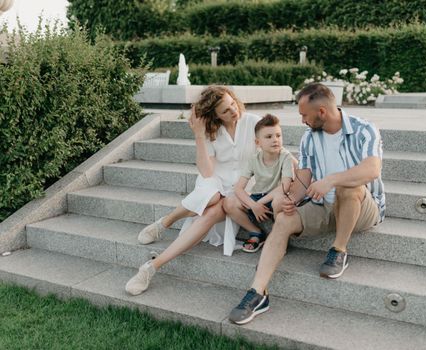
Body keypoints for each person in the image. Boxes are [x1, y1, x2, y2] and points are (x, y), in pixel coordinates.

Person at [228, 82, 385, 325]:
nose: (302, 120)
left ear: (321, 112)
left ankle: (339, 250)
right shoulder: (309, 139)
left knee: (347, 186)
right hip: (323, 206)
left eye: (304, 114)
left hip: (363, 206)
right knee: (283, 218)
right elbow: (304, 178)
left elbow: (371, 170)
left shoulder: (364, 129)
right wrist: (291, 199)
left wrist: (331, 180)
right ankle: (258, 293)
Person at [125, 85, 260, 296]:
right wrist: (198, 135)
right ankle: (160, 237)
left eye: (232, 104)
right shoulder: (211, 132)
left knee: (214, 210)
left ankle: (153, 263)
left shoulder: (253, 122)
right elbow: (207, 172)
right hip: (214, 182)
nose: (233, 111)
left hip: (241, 187)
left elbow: (274, 149)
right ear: (214, 115)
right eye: (225, 110)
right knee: (214, 197)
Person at [225, 114, 295, 253]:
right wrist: (253, 205)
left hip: (276, 197)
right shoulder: (253, 159)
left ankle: (279, 236)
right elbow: (238, 188)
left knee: (280, 200)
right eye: (269, 137)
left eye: (278, 135)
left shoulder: (285, 156)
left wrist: (259, 204)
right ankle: (256, 232)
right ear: (258, 143)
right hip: (258, 197)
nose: (275, 140)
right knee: (228, 203)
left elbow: (285, 186)